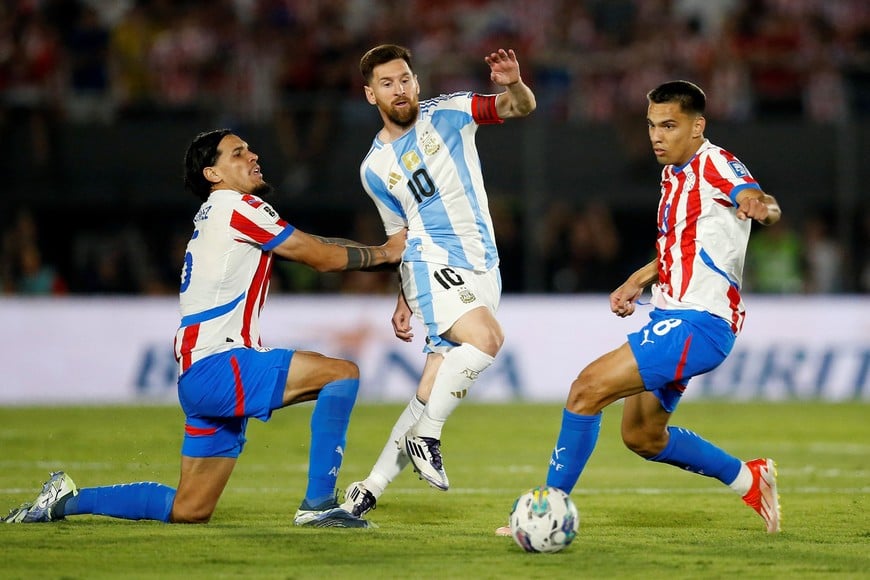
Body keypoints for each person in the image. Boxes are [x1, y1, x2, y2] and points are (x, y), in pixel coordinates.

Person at [3, 129, 404, 528]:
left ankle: (64, 501)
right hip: (222, 364)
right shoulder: (238, 206)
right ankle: (318, 506)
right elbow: (319, 257)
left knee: (189, 509)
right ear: (213, 174)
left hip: (199, 375)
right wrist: (387, 254)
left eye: (248, 150)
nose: (253, 156)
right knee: (341, 374)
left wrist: (386, 253)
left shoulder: (220, 212)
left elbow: (312, 242)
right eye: (238, 153)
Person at [497, 80, 783, 536]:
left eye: (669, 126)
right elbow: (682, 243)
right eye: (652, 125)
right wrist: (638, 278)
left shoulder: (717, 165)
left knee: (586, 389)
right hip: (672, 316)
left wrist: (758, 205)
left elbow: (758, 199)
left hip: (699, 323)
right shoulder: (673, 171)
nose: (657, 136)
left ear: (697, 126)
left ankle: (547, 513)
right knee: (643, 437)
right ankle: (749, 479)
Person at [339, 44, 536, 518]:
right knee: (486, 339)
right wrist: (405, 293)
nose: (399, 89)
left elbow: (520, 106)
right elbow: (399, 238)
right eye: (387, 83)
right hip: (433, 257)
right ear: (371, 95)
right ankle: (428, 435)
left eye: (405, 78)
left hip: (483, 264)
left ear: (417, 82)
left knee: (431, 386)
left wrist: (512, 82)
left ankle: (368, 488)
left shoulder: (449, 111)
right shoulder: (374, 169)